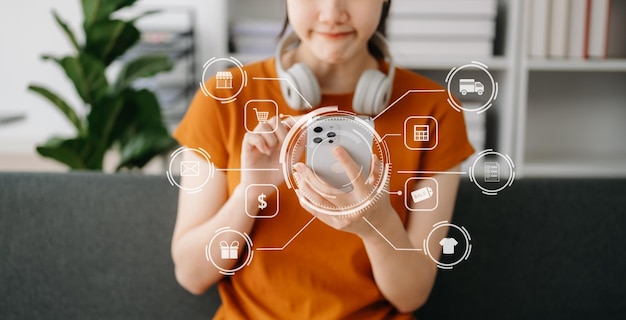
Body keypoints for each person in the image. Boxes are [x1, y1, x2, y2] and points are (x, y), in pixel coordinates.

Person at [171, 0, 474, 318]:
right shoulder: (225, 98)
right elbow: (192, 275)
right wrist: (250, 194)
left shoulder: (434, 111)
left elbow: (411, 296)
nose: (332, 14)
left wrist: (377, 225)